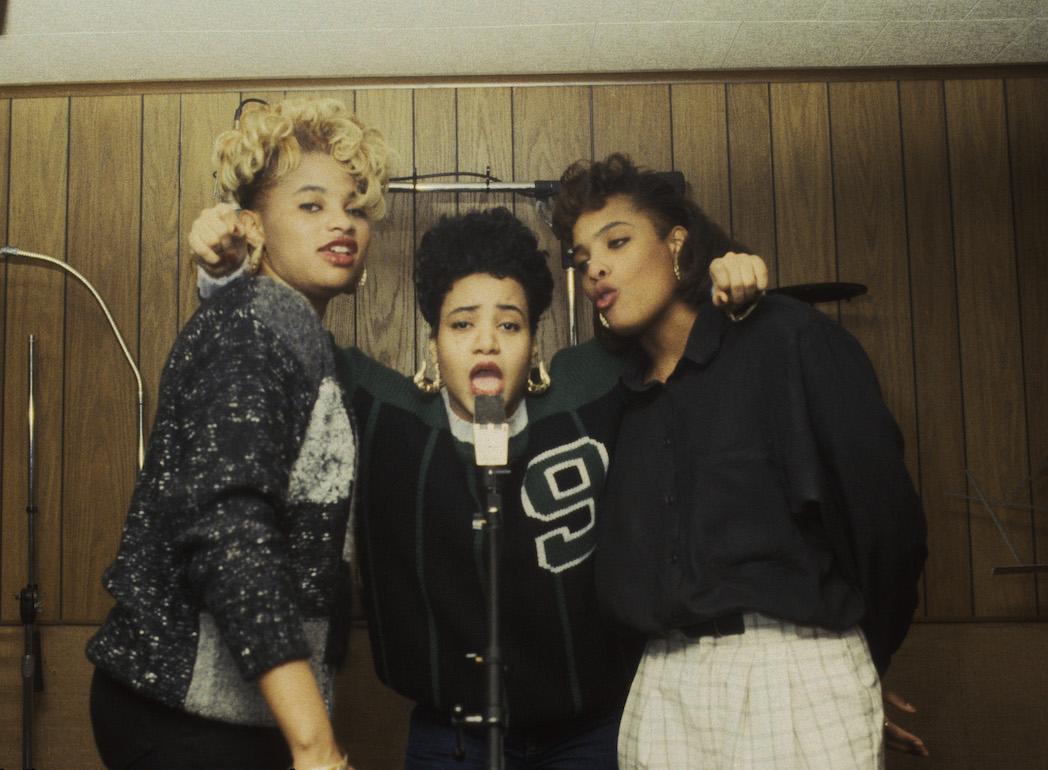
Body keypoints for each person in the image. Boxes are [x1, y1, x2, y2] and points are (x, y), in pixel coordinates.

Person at [192, 196, 767, 767]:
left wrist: (721, 278)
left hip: (589, 734)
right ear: (434, 346)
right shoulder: (384, 414)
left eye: (509, 324)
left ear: (535, 344)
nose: (486, 340)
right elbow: (282, 341)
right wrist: (224, 276)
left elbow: (664, 319)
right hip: (452, 741)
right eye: (462, 323)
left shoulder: (587, 390)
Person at [551, 153, 929, 769]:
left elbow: (886, 524)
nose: (594, 266)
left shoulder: (786, 338)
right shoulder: (619, 397)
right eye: (580, 256)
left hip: (796, 667)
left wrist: (859, 656)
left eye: (617, 241)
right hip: (662, 686)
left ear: (679, 243)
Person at [86, 96, 391, 770]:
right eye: (311, 205)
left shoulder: (278, 330)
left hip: (220, 712)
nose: (342, 221)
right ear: (253, 226)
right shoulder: (256, 332)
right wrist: (315, 743)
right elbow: (230, 534)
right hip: (187, 719)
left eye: (356, 207)